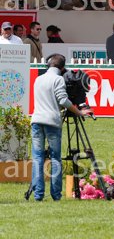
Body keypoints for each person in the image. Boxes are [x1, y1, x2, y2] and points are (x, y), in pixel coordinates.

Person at [30, 54, 92, 201]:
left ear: (49, 64)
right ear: (62, 68)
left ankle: (38, 195)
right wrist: (79, 112)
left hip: (37, 120)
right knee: (55, 158)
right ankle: (56, 195)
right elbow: (63, 100)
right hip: (51, 122)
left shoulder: (38, 79)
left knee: (37, 158)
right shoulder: (58, 79)